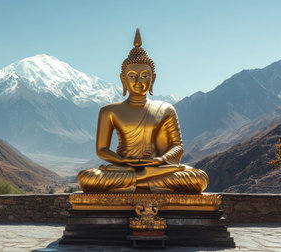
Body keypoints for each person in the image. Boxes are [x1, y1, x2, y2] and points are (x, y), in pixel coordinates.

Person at [77, 29, 208, 193]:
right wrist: (123, 160)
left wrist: (161, 159)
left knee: (199, 178)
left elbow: (177, 146)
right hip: (124, 168)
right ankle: (145, 179)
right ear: (122, 79)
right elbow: (101, 149)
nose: (138, 81)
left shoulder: (166, 109)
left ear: (153, 78)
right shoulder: (109, 111)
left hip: (156, 167)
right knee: (87, 178)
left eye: (144, 75)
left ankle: (139, 180)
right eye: (132, 76)